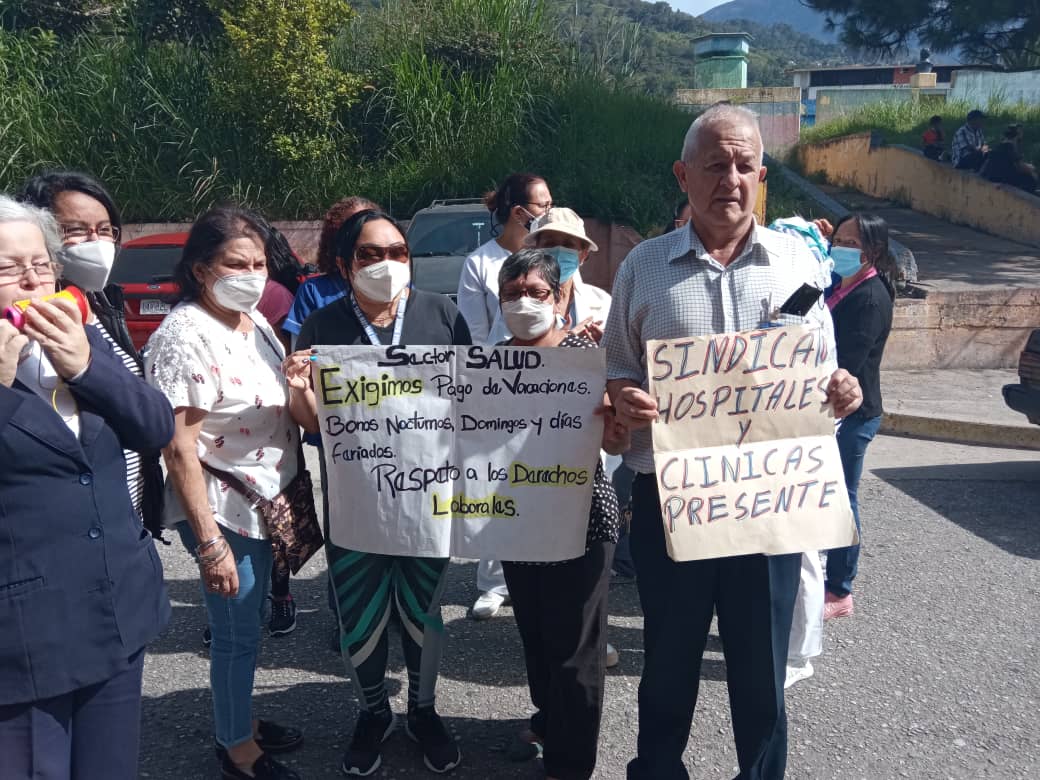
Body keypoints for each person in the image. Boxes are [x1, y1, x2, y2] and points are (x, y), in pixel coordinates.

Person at [603, 104, 863, 779]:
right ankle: (658, 770)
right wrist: (625, 395)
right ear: (683, 175)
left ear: (762, 174)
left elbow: (824, 369)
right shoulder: (643, 268)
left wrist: (840, 395)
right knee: (668, 663)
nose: (731, 178)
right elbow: (618, 367)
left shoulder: (796, 266)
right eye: (716, 165)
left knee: (760, 670)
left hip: (771, 506)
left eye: (745, 165)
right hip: (672, 502)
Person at [290, 210, 470, 776]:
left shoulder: (442, 314)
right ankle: (373, 713)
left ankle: (423, 710)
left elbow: (474, 404)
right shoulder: (321, 326)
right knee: (361, 619)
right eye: (371, 254)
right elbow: (312, 423)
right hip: (355, 503)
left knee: (423, 613)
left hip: (427, 499)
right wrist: (297, 390)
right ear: (345, 265)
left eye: (397, 252)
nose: (386, 264)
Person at [0, 195, 173, 778]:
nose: (31, 279)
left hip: (116, 609)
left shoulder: (80, 335)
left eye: (42, 264)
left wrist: (86, 366)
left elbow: (154, 425)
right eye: (8, 268)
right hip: (23, 636)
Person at [146, 206, 309, 780]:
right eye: (234, 263)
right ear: (199, 270)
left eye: (259, 263)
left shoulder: (252, 320)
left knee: (251, 619)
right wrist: (210, 544)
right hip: (224, 509)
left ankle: (238, 715)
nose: (251, 274)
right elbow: (179, 447)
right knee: (236, 631)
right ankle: (235, 747)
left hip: (265, 498)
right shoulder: (184, 336)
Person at [494, 247, 627, 780]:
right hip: (514, 521)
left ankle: (570, 766)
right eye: (513, 294)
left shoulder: (588, 357)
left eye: (536, 292)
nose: (525, 302)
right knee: (536, 633)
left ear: (559, 297)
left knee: (576, 648)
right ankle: (548, 718)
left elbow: (617, 435)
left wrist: (616, 419)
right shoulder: (486, 364)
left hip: (583, 519)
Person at [17, 171, 165, 539]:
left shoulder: (102, 305)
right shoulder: (29, 323)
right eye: (76, 230)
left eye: (105, 229)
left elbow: (148, 420)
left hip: (126, 523)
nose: (95, 242)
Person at [456, 173, 552, 620]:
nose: (549, 211)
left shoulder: (552, 256)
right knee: (497, 478)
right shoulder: (480, 263)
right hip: (499, 382)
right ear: (520, 213)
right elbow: (474, 333)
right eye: (544, 204)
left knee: (546, 476)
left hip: (553, 386)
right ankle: (494, 582)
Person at [818, 213, 896, 620]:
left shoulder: (870, 299)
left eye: (852, 244)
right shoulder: (838, 283)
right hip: (831, 411)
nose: (841, 249)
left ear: (874, 252)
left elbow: (846, 362)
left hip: (854, 414)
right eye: (838, 240)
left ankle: (840, 590)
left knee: (842, 498)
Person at [488, 207, 611, 344]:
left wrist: (602, 346)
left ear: (583, 255)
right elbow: (504, 356)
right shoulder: (517, 300)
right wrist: (564, 342)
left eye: (568, 245)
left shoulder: (602, 302)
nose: (558, 251)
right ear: (536, 250)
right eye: (550, 243)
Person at [283, 195, 379, 347]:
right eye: (355, 228)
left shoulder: (399, 287)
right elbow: (299, 353)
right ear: (335, 241)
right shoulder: (313, 291)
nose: (366, 235)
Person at [981, 125, 1039, 194]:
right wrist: (1031, 169)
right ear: (1017, 135)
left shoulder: (1000, 145)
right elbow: (1020, 166)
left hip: (993, 176)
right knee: (1031, 178)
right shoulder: (1009, 146)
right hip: (1003, 178)